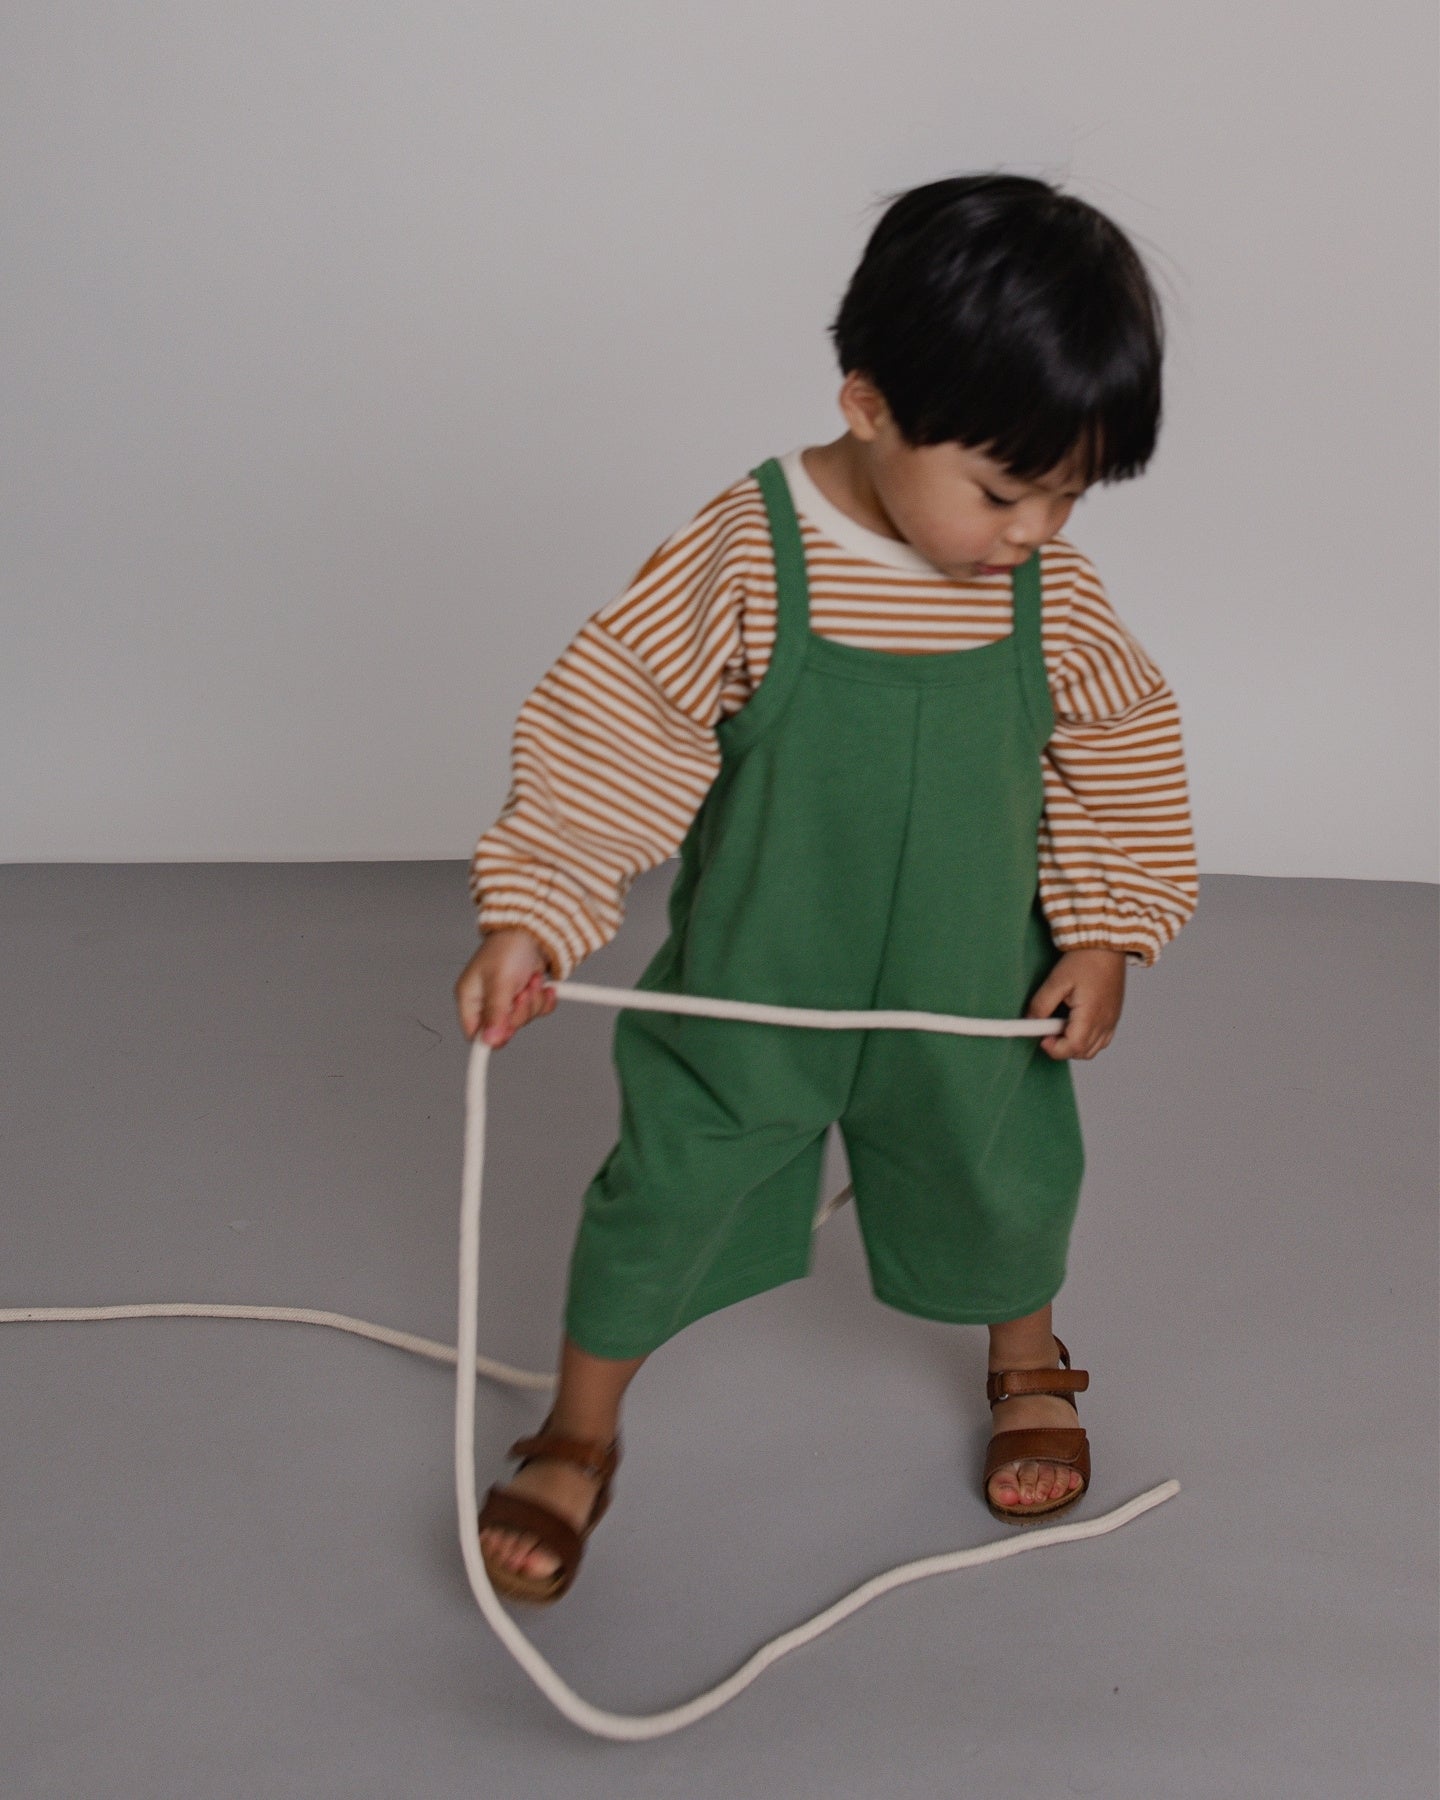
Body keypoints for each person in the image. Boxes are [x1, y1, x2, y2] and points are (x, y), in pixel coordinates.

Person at [454, 173, 1198, 1604]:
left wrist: (1106, 929)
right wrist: (536, 907)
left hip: (969, 983)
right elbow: (620, 717)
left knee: (1002, 1178)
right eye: (1002, 489)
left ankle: (1028, 1359)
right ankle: (578, 1429)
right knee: (664, 1188)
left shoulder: (1050, 594)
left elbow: (1119, 739)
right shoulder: (751, 553)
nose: (1037, 531)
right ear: (869, 408)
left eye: (1067, 493)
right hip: (760, 972)